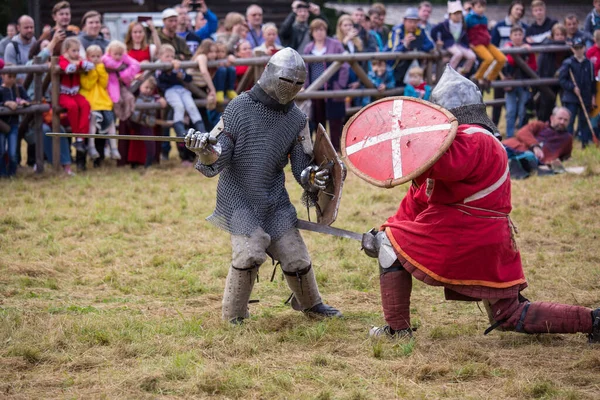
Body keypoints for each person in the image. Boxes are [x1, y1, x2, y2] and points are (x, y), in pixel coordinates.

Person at [361, 65, 600, 343]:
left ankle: (395, 331)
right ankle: (592, 321)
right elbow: (419, 199)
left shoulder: (474, 139)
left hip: (465, 233)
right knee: (508, 314)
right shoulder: (467, 143)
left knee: (391, 246)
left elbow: (444, 167)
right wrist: (384, 230)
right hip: (489, 237)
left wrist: (413, 143)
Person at [184, 47, 342, 324]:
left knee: (296, 257)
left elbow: (301, 166)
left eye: (297, 84)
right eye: (285, 80)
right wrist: (203, 151)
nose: (290, 88)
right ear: (269, 74)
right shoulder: (239, 108)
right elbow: (218, 157)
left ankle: (311, 305)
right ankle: (233, 315)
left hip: (274, 200)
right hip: (239, 199)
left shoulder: (296, 119)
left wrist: (310, 177)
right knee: (250, 252)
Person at [303, 19, 349, 151]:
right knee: (317, 120)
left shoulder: (335, 45)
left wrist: (340, 84)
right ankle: (321, 149)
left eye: (321, 29)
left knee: (335, 120)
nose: (319, 32)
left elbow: (345, 66)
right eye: (316, 30)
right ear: (312, 32)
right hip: (315, 89)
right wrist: (306, 86)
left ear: (325, 30)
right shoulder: (308, 48)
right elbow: (306, 68)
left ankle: (336, 149)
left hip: (333, 87)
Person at [156, 44, 205, 163]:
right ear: (160, 57)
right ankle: (181, 133)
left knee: (192, 107)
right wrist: (172, 72)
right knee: (179, 107)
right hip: (170, 91)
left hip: (182, 90)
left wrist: (180, 74)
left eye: (172, 56)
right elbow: (161, 80)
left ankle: (203, 133)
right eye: (167, 56)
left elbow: (188, 78)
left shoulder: (177, 65)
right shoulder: (159, 67)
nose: (170, 58)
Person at [503, 107, 573, 178]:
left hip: (532, 159)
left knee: (528, 156)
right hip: (513, 148)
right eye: (560, 118)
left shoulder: (567, 138)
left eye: (565, 120)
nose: (562, 122)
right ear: (552, 118)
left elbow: (565, 156)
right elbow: (522, 132)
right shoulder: (540, 126)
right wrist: (535, 146)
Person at [58, 37, 94, 169]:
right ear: (66, 51)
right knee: (72, 107)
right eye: (74, 50)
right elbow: (69, 69)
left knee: (85, 105)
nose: (77, 53)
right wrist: (77, 63)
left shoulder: (78, 58)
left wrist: (80, 62)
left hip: (75, 93)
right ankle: (76, 133)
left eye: (78, 50)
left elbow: (90, 65)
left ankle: (80, 138)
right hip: (63, 94)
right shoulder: (62, 59)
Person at [559, 37, 597, 148]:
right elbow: (562, 80)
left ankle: (585, 143)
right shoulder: (568, 63)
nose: (578, 50)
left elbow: (592, 82)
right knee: (569, 121)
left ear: (584, 48)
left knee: (584, 121)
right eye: (576, 48)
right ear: (572, 49)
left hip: (585, 97)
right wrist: (572, 87)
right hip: (571, 98)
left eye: (580, 47)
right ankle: (567, 145)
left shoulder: (589, 64)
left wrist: (592, 96)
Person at [79, 45, 113, 160]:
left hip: (101, 99)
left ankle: (110, 149)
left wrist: (99, 70)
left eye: (98, 56)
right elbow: (87, 85)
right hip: (90, 99)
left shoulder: (101, 67)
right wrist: (93, 71)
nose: (95, 58)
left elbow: (104, 83)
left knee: (107, 121)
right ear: (88, 57)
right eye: (92, 56)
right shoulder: (85, 69)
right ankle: (91, 146)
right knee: (94, 121)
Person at [387, 7, 434, 87]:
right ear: (404, 21)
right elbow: (394, 51)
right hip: (396, 67)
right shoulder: (398, 31)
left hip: (414, 67)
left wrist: (415, 46)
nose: (412, 24)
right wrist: (405, 45)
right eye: (410, 21)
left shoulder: (420, 30)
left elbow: (430, 45)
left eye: (415, 22)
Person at [503, 26, 536, 138]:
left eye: (519, 35)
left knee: (523, 111)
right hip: (511, 83)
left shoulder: (528, 50)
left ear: (523, 36)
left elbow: (533, 65)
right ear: (510, 36)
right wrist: (519, 49)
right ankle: (510, 136)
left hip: (524, 83)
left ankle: (522, 135)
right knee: (510, 111)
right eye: (515, 35)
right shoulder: (508, 48)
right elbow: (511, 61)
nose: (517, 37)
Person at [466, 0, 507, 88]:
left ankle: (489, 78)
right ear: (473, 7)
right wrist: (468, 43)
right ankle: (477, 77)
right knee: (489, 59)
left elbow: (485, 31)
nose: (481, 9)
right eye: (479, 7)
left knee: (502, 58)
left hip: (486, 43)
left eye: (483, 7)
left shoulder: (484, 18)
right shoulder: (468, 18)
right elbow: (464, 32)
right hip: (476, 43)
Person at [129, 77, 167, 169]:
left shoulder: (154, 97)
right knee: (135, 143)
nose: (148, 90)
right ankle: (134, 162)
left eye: (151, 89)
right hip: (135, 122)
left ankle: (149, 162)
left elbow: (163, 103)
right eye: (146, 87)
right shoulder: (135, 94)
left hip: (147, 124)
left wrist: (161, 100)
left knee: (150, 142)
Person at [431, 1, 476, 75]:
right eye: (455, 14)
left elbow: (465, 37)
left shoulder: (463, 24)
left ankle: (462, 71)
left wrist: (468, 46)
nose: (458, 16)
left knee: (472, 56)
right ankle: (449, 72)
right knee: (458, 54)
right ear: (450, 15)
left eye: (459, 14)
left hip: (460, 44)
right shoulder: (445, 24)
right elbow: (433, 31)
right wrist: (437, 40)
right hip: (449, 43)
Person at [0, 66, 29, 178]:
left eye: (14, 77)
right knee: (1, 151)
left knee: (12, 152)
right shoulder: (1, 90)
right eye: (9, 76)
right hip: (1, 125)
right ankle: (2, 173)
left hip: (14, 125)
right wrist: (5, 103)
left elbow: (27, 99)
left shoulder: (18, 89)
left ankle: (12, 173)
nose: (12, 79)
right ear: (2, 76)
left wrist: (24, 102)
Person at [536, 24, 569, 122]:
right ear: (553, 36)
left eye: (562, 35)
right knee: (546, 104)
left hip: (563, 79)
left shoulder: (568, 49)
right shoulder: (547, 46)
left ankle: (564, 125)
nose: (560, 37)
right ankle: (545, 125)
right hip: (548, 79)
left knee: (565, 102)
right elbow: (541, 65)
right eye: (557, 34)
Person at [102, 40, 140, 125]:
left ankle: (125, 117)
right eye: (115, 54)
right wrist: (121, 66)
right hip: (110, 84)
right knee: (117, 100)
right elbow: (110, 63)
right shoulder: (105, 58)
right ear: (110, 52)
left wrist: (124, 74)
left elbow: (136, 64)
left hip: (121, 85)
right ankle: (117, 118)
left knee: (129, 98)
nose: (118, 56)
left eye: (120, 54)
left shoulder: (123, 58)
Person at [3, 16, 36, 84]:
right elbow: (10, 74)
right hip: (19, 90)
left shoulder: (36, 44)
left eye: (31, 27)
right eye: (26, 27)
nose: (29, 30)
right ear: (18, 28)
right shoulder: (11, 47)